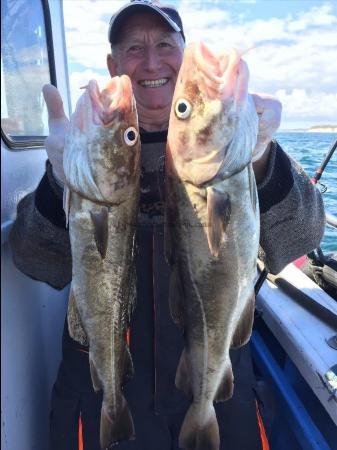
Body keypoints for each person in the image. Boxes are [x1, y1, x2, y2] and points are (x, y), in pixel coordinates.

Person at [9, 1, 325, 449]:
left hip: (212, 385)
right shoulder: (88, 152)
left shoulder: (235, 145)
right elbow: (36, 261)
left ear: (182, 52)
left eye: (164, 44)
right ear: (113, 65)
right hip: (104, 389)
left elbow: (301, 236)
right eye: (134, 47)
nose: (152, 61)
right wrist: (60, 177)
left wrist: (263, 160)